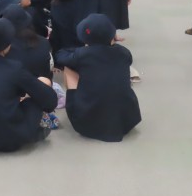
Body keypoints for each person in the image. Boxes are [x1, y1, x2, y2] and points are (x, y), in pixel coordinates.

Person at [0, 19, 57, 152]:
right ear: (7, 44)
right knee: (40, 89)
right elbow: (50, 102)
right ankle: (32, 133)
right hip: (11, 139)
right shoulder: (15, 68)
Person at [56, 14, 141, 142]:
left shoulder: (82, 55)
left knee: (69, 68)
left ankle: (76, 106)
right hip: (128, 119)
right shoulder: (124, 52)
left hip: (88, 124)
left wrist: (80, 49)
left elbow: (60, 56)